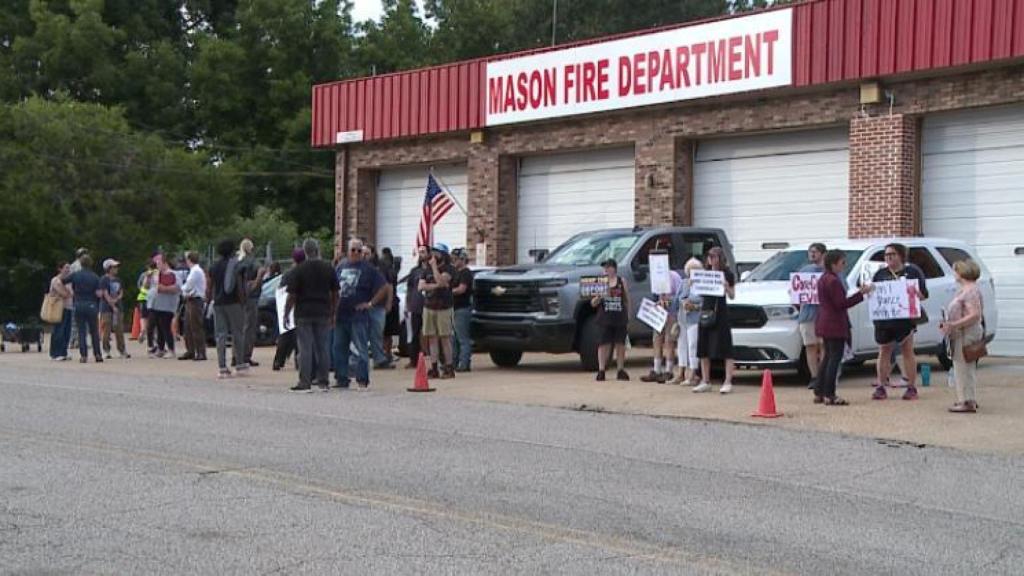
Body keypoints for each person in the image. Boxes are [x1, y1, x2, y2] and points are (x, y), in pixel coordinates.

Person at [815, 250, 873, 406]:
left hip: (824, 321)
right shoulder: (833, 281)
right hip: (835, 323)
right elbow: (841, 303)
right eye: (842, 263)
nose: (844, 266)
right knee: (834, 358)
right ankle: (829, 394)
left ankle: (819, 391)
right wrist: (861, 294)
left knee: (828, 357)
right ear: (833, 264)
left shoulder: (823, 279)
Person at [871, 243, 929, 401]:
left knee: (907, 350)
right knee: (884, 351)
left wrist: (915, 293)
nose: (889, 257)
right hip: (884, 320)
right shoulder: (880, 274)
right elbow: (874, 295)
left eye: (892, 254)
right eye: (886, 255)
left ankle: (911, 387)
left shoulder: (912, 272)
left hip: (904, 319)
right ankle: (881, 386)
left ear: (901, 256)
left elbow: (923, 295)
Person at [284, 239, 339, 392]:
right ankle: (323, 380)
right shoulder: (328, 268)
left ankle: (305, 381)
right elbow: (335, 293)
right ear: (317, 250)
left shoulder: (299, 270)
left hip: (304, 312)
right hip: (323, 311)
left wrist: (286, 313)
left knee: (305, 349)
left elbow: (292, 295)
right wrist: (333, 311)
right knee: (323, 348)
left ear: (305, 251)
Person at [334, 238, 388, 388]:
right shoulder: (341, 266)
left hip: (358, 316)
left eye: (359, 250)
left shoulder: (369, 269)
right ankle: (341, 378)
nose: (356, 253)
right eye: (353, 250)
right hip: (341, 314)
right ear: (348, 251)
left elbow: (384, 287)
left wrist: (370, 303)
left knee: (361, 348)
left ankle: (362, 379)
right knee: (339, 347)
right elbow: (334, 287)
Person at [939, 259, 985, 413]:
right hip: (964, 331)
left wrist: (954, 325)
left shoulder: (970, 291)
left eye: (955, 271)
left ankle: (965, 400)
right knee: (967, 366)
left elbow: (974, 314)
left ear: (962, 272)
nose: (954, 274)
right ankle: (969, 398)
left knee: (962, 367)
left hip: (966, 332)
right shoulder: (967, 289)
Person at [694, 247, 736, 394]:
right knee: (703, 346)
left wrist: (726, 287)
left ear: (720, 258)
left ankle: (728, 380)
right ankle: (705, 380)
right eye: (710, 257)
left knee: (725, 347)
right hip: (706, 311)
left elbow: (732, 295)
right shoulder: (705, 274)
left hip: (720, 312)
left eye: (715, 257)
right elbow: (699, 293)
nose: (712, 259)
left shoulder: (727, 274)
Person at [209, 239, 250, 378]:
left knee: (221, 335)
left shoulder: (214, 266)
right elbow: (239, 285)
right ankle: (239, 364)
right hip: (233, 302)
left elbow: (211, 286)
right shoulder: (236, 265)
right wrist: (243, 300)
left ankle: (222, 367)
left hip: (218, 303)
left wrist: (210, 300)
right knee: (237, 333)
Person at [641, 259, 683, 384]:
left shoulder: (674, 276)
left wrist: (668, 301)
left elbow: (679, 295)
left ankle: (669, 370)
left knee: (669, 341)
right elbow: (655, 295)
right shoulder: (656, 277)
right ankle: (657, 369)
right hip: (659, 313)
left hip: (671, 313)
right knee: (657, 339)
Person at [419, 243, 457, 379]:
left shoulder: (450, 269)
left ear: (443, 254)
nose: (434, 254)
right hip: (429, 306)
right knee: (431, 338)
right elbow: (421, 286)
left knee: (445, 338)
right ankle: (434, 368)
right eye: (433, 251)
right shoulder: (426, 269)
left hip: (444, 307)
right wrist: (435, 285)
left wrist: (435, 268)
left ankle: (449, 367)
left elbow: (442, 281)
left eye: (437, 251)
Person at [591, 258, 630, 382]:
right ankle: (601, 369)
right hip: (605, 317)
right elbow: (593, 303)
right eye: (604, 268)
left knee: (620, 344)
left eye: (608, 267)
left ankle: (620, 369)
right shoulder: (600, 283)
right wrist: (600, 295)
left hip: (619, 317)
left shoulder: (621, 281)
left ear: (613, 268)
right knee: (603, 344)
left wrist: (629, 315)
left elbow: (627, 300)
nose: (606, 270)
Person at [797, 243, 827, 389]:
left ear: (823, 254)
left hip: (824, 314)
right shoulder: (803, 271)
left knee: (824, 345)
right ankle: (814, 377)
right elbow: (795, 291)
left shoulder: (829, 271)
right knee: (810, 346)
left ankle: (824, 375)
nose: (812, 254)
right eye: (810, 252)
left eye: (815, 252)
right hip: (807, 314)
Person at [63, 255, 103, 363]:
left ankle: (83, 356)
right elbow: (99, 294)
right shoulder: (95, 277)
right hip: (91, 304)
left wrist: (70, 292)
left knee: (81, 331)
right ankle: (97, 354)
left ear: (80, 264)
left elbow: (62, 281)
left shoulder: (76, 275)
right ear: (91, 264)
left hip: (78, 304)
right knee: (94, 331)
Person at [273, 248, 306, 371]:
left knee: (286, 334)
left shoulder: (288, 273)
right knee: (300, 335)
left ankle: (278, 360)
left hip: (288, 304)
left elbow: (282, 289)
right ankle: (299, 361)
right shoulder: (305, 271)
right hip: (301, 305)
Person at [672, 257, 704, 385]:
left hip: (695, 319)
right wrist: (683, 302)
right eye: (690, 270)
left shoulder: (703, 283)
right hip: (682, 319)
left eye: (695, 270)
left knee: (693, 346)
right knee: (682, 346)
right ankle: (680, 373)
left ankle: (692, 374)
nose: (692, 273)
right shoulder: (684, 282)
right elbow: (677, 298)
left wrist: (694, 306)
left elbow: (705, 302)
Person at [362, 244, 393, 369]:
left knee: (377, 333)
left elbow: (388, 286)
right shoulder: (356, 266)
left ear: (373, 254)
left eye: (367, 253)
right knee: (360, 334)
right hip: (361, 306)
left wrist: (389, 303)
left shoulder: (381, 267)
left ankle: (379, 360)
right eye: (362, 253)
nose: (364, 255)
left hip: (378, 306)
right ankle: (359, 361)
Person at [236, 238, 265, 367]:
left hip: (238, 297)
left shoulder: (238, 261)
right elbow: (261, 270)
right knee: (249, 327)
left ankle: (236, 355)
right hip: (251, 297)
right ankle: (245, 355)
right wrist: (256, 282)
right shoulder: (252, 261)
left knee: (239, 327)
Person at [149, 257, 181, 359]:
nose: (157, 265)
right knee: (158, 328)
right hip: (156, 305)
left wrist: (164, 289)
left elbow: (177, 288)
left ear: (165, 263)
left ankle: (171, 349)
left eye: (159, 263)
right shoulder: (155, 275)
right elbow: (148, 287)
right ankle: (160, 348)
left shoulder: (174, 274)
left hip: (167, 306)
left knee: (166, 327)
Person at [404, 246, 430, 368]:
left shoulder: (433, 270)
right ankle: (413, 360)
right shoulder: (414, 271)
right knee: (414, 334)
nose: (421, 254)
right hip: (416, 307)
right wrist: (407, 305)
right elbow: (409, 288)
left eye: (423, 252)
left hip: (431, 306)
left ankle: (434, 361)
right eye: (419, 252)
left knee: (431, 334)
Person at [179, 251, 208, 361]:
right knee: (187, 326)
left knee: (196, 326)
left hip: (195, 300)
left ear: (189, 260)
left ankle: (200, 351)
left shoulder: (195, 271)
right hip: (190, 300)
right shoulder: (194, 271)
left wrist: (182, 289)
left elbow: (188, 285)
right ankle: (190, 350)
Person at [98, 259, 129, 359]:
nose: (116, 269)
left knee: (119, 329)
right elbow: (105, 294)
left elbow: (121, 292)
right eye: (114, 267)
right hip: (106, 308)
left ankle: (122, 350)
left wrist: (117, 299)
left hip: (118, 306)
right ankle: (105, 350)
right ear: (108, 268)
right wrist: (112, 305)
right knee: (106, 329)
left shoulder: (118, 280)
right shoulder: (104, 279)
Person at [450, 248, 474, 372]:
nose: (453, 261)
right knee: (454, 339)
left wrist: (448, 292)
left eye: (456, 259)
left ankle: (464, 364)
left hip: (462, 309)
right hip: (454, 309)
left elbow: (461, 289)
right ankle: (453, 363)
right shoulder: (456, 272)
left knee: (463, 338)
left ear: (463, 259)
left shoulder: (465, 273)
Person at [380, 247, 401, 367]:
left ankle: (386, 354)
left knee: (384, 333)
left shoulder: (386, 271)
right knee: (387, 333)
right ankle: (387, 354)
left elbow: (389, 286)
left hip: (388, 304)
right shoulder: (393, 270)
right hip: (393, 303)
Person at [48, 262, 74, 361]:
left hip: (68, 307)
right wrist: (68, 292)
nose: (68, 270)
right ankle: (55, 353)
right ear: (60, 269)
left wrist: (69, 292)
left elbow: (72, 293)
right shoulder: (56, 280)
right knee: (59, 330)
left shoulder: (69, 281)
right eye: (66, 268)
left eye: (69, 268)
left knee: (67, 331)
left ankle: (63, 352)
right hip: (59, 308)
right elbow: (64, 293)